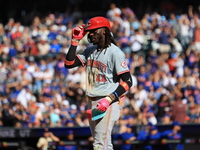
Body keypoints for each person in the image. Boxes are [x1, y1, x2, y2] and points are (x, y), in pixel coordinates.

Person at [64, 16, 133, 150]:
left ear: (104, 31)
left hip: (107, 100)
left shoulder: (115, 52)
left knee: (100, 144)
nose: (91, 34)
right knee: (102, 143)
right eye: (90, 31)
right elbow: (69, 63)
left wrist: (109, 99)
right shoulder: (90, 50)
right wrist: (74, 42)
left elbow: (128, 81)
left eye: (94, 31)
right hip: (93, 99)